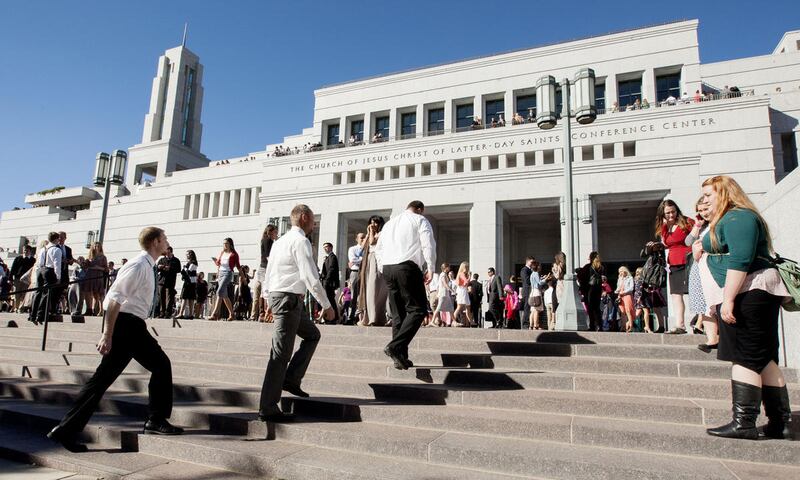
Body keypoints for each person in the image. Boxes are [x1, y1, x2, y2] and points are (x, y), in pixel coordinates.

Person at [47, 227, 183, 451]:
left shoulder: (148, 265)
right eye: (165, 238)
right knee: (159, 365)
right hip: (126, 325)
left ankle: (65, 430)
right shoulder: (139, 265)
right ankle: (156, 420)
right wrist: (107, 334)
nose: (167, 241)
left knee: (105, 379)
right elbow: (113, 299)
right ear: (156, 241)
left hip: (131, 324)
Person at [699, 176, 792, 440]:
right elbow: (713, 246)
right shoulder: (733, 219)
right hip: (753, 292)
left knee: (744, 357)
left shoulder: (739, 217)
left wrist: (727, 300)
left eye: (709, 194)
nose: (704, 200)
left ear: (725, 193)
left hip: (749, 293)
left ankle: (744, 422)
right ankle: (779, 422)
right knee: (763, 359)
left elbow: (740, 258)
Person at [257, 204, 334, 423]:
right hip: (288, 299)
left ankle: (291, 379)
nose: (313, 223)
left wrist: (267, 297)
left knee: (312, 335)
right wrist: (327, 305)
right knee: (280, 354)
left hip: (285, 299)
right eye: (312, 219)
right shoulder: (301, 241)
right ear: (304, 217)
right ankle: (268, 407)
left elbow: (270, 270)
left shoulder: (280, 241)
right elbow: (310, 276)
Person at [373, 200, 436, 369]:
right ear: (420, 209)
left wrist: (382, 268)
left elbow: (378, 248)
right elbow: (428, 244)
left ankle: (400, 358)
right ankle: (395, 346)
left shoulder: (390, 224)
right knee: (418, 309)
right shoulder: (420, 220)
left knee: (398, 314)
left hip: (387, 268)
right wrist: (430, 267)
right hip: (406, 267)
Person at [653, 199, 694, 334]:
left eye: (673, 212)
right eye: (668, 213)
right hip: (673, 263)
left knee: (694, 292)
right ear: (662, 214)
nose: (671, 215)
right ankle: (680, 325)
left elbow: (697, 237)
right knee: (676, 294)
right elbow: (669, 244)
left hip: (689, 261)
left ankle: (700, 321)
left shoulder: (687, 222)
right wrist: (656, 246)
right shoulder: (664, 228)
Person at [685, 197, 719, 351]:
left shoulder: (719, 223)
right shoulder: (702, 226)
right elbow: (687, 241)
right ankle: (712, 339)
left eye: (705, 209)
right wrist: (696, 226)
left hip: (712, 266)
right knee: (702, 304)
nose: (703, 213)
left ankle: (717, 336)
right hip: (699, 267)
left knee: (712, 302)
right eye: (699, 211)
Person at [358, 216, 389, 326]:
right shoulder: (370, 233)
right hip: (368, 261)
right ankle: (368, 317)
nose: (373, 225)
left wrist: (370, 232)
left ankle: (375, 318)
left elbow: (372, 242)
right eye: (371, 223)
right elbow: (361, 248)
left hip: (377, 260)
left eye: (375, 223)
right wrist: (367, 233)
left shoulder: (382, 233)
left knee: (375, 290)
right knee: (368, 290)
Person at [30, 232, 63, 325]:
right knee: (46, 294)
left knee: (38, 292)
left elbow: (39, 262)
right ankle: (40, 315)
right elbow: (57, 264)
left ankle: (33, 314)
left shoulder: (43, 249)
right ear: (56, 239)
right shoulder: (56, 250)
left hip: (40, 270)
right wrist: (58, 277)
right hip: (49, 270)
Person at [209, 238, 243, 321]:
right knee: (224, 295)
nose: (224, 245)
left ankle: (215, 314)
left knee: (219, 291)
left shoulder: (234, 254)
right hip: (220, 273)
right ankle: (232, 314)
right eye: (223, 243)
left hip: (228, 273)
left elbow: (238, 266)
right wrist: (215, 261)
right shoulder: (222, 253)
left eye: (226, 243)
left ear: (230, 244)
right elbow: (218, 263)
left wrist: (242, 276)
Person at [252, 225, 278, 321]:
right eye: (275, 232)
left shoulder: (266, 240)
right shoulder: (268, 241)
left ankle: (262, 314)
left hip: (263, 267)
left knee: (263, 291)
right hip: (266, 268)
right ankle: (264, 314)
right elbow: (268, 256)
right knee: (265, 291)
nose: (276, 234)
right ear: (270, 232)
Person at [155, 246, 180, 318]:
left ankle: (168, 313)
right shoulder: (162, 259)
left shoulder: (176, 260)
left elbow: (178, 269)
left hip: (171, 280)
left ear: (171, 251)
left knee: (170, 296)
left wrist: (170, 268)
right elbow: (156, 269)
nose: (167, 254)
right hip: (162, 280)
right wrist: (159, 267)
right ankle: (162, 312)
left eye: (168, 252)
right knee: (161, 297)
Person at [346, 232, 365, 324]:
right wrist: (364, 259)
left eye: (364, 237)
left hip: (365, 273)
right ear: (357, 239)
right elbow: (352, 260)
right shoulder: (352, 249)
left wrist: (359, 259)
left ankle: (362, 317)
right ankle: (351, 317)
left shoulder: (367, 249)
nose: (363, 239)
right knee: (354, 296)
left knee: (364, 296)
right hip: (355, 273)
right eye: (361, 238)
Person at [320, 242, 340, 324]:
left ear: (331, 247)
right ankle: (331, 318)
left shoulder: (332, 257)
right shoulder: (328, 257)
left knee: (330, 299)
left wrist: (327, 280)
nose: (325, 248)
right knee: (329, 299)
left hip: (329, 283)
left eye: (327, 247)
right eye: (324, 247)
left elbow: (331, 269)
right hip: (326, 281)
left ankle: (333, 318)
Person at [9, 245, 35, 312]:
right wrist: (10, 278)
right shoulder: (18, 258)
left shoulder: (33, 260)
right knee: (16, 294)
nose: (25, 251)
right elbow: (13, 269)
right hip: (17, 279)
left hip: (27, 280)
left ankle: (21, 308)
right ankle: (16, 307)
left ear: (30, 251)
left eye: (27, 250)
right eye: (24, 250)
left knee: (24, 294)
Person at [176, 250, 198, 319]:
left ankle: (184, 314)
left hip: (190, 282)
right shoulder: (189, 262)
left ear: (191, 254)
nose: (187, 255)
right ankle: (186, 314)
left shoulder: (193, 262)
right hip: (189, 281)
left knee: (187, 297)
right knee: (187, 298)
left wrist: (184, 268)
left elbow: (188, 270)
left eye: (188, 254)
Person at [452, 262, 474, 327]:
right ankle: (454, 321)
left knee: (467, 307)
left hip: (463, 290)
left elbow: (466, 283)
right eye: (467, 267)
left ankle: (471, 322)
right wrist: (470, 276)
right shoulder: (461, 274)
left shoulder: (462, 274)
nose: (468, 268)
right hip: (462, 291)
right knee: (459, 306)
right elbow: (466, 281)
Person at [616, 266, 636, 332]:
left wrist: (623, 292)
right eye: (619, 272)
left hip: (627, 295)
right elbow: (618, 287)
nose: (620, 273)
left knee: (628, 311)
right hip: (620, 296)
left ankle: (630, 326)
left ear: (625, 271)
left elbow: (631, 288)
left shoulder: (630, 278)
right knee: (622, 312)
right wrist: (616, 291)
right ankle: (623, 326)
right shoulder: (620, 279)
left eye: (621, 271)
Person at [528, 260, 545, 330]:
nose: (540, 267)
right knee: (537, 310)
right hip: (536, 292)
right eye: (539, 266)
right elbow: (540, 283)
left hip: (532, 292)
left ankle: (531, 325)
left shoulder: (532, 274)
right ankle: (536, 325)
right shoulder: (536, 273)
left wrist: (542, 278)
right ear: (537, 267)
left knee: (532, 310)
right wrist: (545, 279)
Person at [519, 257, 534, 329]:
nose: (532, 264)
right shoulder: (524, 270)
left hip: (530, 290)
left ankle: (527, 323)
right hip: (527, 290)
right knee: (527, 307)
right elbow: (526, 280)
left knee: (529, 307)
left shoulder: (530, 270)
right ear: (527, 262)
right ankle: (525, 324)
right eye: (531, 262)